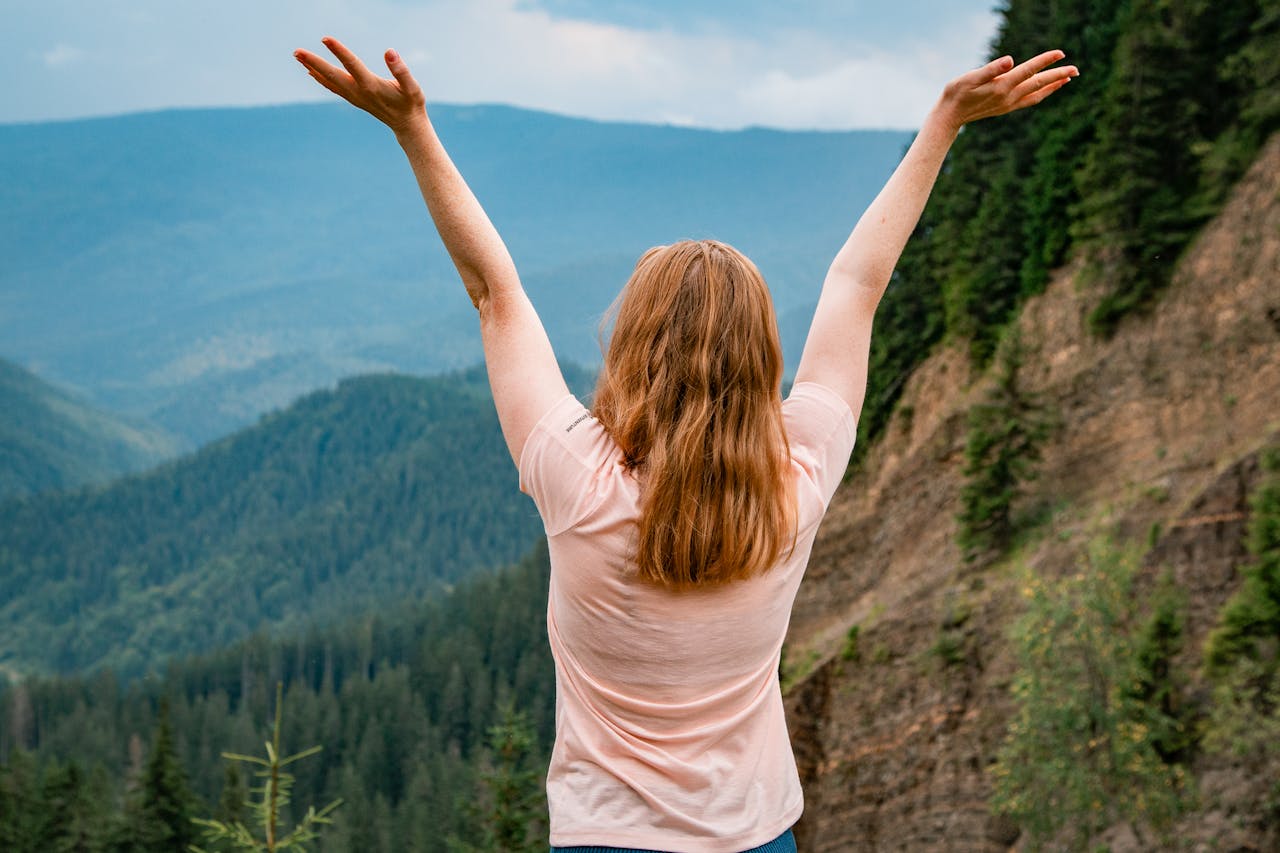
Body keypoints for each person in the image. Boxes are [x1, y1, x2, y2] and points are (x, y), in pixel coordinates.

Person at [293, 37, 1077, 853]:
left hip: (608, 840)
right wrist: (945, 122)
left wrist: (413, 129)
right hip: (757, 838)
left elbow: (496, 293)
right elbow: (859, 284)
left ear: (631, 347)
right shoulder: (797, 479)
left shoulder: (578, 477)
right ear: (761, 356)